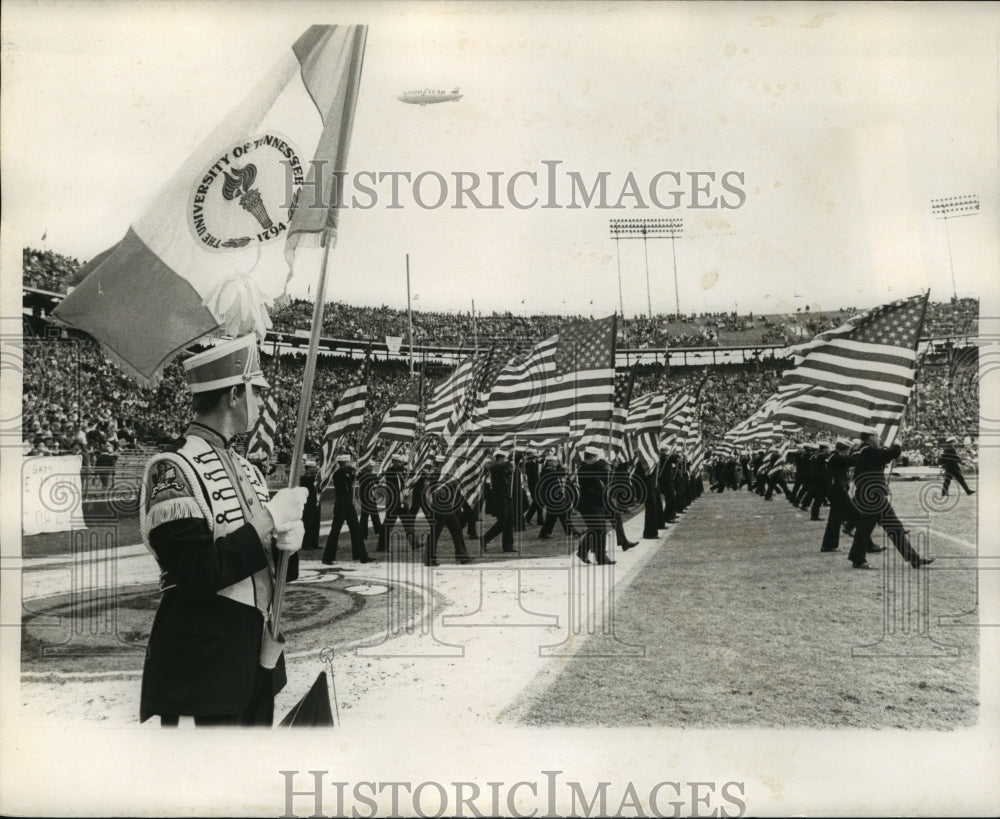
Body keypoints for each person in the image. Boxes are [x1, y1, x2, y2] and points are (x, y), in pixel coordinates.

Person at [138, 334, 307, 727]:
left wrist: (287, 550)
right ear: (234, 394)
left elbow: (261, 566)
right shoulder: (172, 469)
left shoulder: (249, 469)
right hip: (204, 663)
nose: (261, 402)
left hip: (254, 654)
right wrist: (267, 519)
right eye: (257, 392)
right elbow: (196, 573)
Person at [848, 429, 934, 570]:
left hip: (870, 494)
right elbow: (892, 454)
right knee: (878, 529)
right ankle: (857, 559)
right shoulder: (867, 451)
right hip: (872, 497)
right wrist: (896, 443)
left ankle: (914, 559)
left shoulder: (861, 451)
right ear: (870, 438)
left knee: (885, 528)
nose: (879, 439)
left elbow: (871, 469)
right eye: (877, 437)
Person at [322, 452, 373, 565]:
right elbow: (346, 473)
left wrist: (356, 472)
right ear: (344, 462)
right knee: (335, 531)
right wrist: (353, 469)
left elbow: (354, 477)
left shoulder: (346, 472)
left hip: (348, 504)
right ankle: (327, 557)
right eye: (348, 462)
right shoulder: (340, 472)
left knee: (356, 530)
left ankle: (361, 555)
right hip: (342, 505)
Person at [576, 446, 613, 565]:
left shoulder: (594, 467)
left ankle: (582, 551)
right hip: (589, 505)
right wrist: (603, 464)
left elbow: (606, 479)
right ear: (591, 458)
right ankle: (601, 558)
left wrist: (608, 467)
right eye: (596, 458)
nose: (598, 460)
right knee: (600, 530)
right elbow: (595, 471)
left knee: (596, 530)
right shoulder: (583, 469)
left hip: (597, 504)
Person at [820, 439, 854, 553]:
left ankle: (829, 545)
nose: (848, 453)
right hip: (838, 490)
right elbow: (851, 460)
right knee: (854, 511)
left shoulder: (832, 456)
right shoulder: (837, 458)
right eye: (848, 450)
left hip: (835, 490)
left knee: (834, 519)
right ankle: (849, 528)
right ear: (843, 450)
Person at [481, 450, 515, 552]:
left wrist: (511, 468)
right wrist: (509, 464)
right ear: (500, 458)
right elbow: (500, 470)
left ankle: (507, 545)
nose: (505, 460)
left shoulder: (503, 467)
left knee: (509, 522)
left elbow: (507, 472)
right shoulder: (494, 467)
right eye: (504, 458)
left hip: (507, 497)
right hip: (499, 499)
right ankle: (484, 539)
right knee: (502, 523)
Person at [299, 459, 321, 552]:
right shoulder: (304, 478)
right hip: (308, 504)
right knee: (308, 524)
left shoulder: (313, 478)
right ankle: (306, 544)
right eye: (314, 467)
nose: (316, 468)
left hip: (316, 502)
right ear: (309, 468)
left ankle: (314, 543)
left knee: (316, 523)